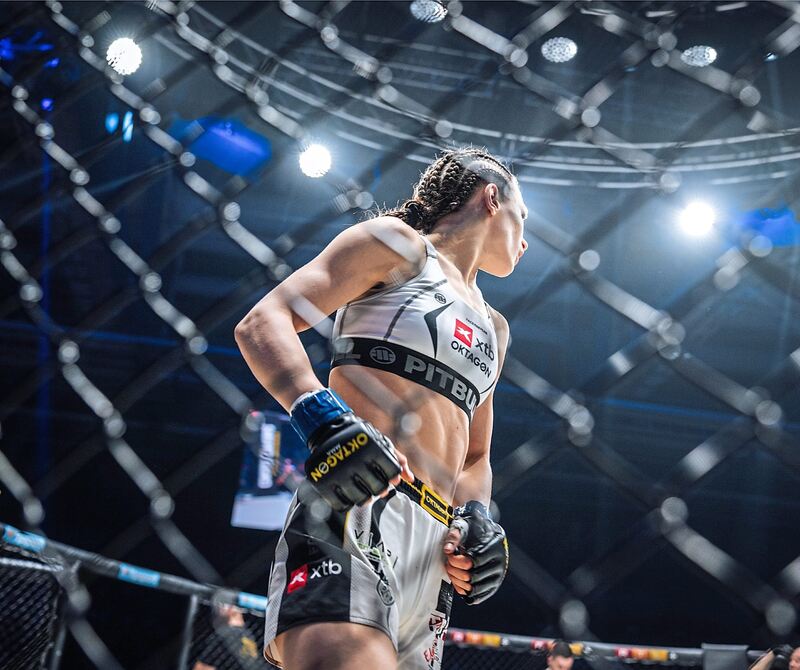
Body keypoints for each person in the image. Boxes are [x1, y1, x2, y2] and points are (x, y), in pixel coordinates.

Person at [235, 148, 529, 669]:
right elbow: (265, 322)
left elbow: (476, 455)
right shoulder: (396, 245)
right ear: (492, 198)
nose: (525, 241)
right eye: (521, 219)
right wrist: (322, 419)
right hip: (360, 504)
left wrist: (478, 517)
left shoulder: (496, 328)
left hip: (433, 555)